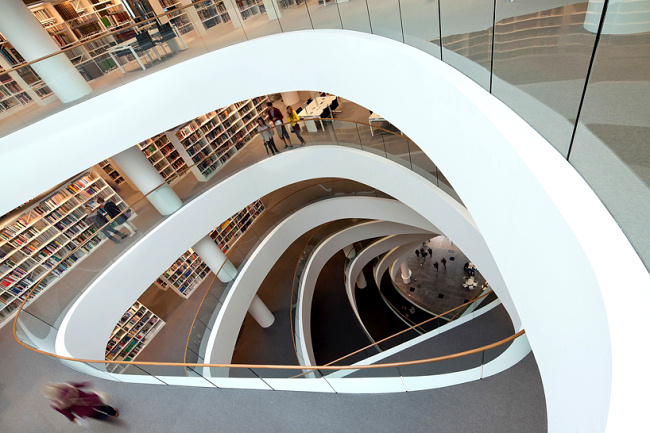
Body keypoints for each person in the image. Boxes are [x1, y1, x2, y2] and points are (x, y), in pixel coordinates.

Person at [44, 382, 119, 425]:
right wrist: (85, 384)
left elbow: (67, 413)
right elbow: (78, 384)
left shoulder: (58, 405)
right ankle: (113, 412)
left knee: (97, 415)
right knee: (103, 406)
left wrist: (73, 419)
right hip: (91, 400)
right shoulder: (68, 386)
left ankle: (108, 419)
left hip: (85, 412)